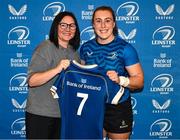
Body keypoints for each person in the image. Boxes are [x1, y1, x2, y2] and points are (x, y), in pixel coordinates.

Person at [80, 6, 144, 139]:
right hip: (93, 106)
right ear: (93, 24)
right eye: (98, 21)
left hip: (118, 108)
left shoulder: (125, 49)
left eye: (107, 20)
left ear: (114, 23)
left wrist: (120, 79)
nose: (103, 25)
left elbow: (139, 81)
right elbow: (82, 77)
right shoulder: (86, 48)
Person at [25, 11, 80, 139]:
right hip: (41, 114)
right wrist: (57, 69)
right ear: (56, 27)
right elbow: (32, 81)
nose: (68, 29)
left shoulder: (74, 54)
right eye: (63, 25)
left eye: (72, 25)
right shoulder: (45, 47)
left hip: (63, 115)